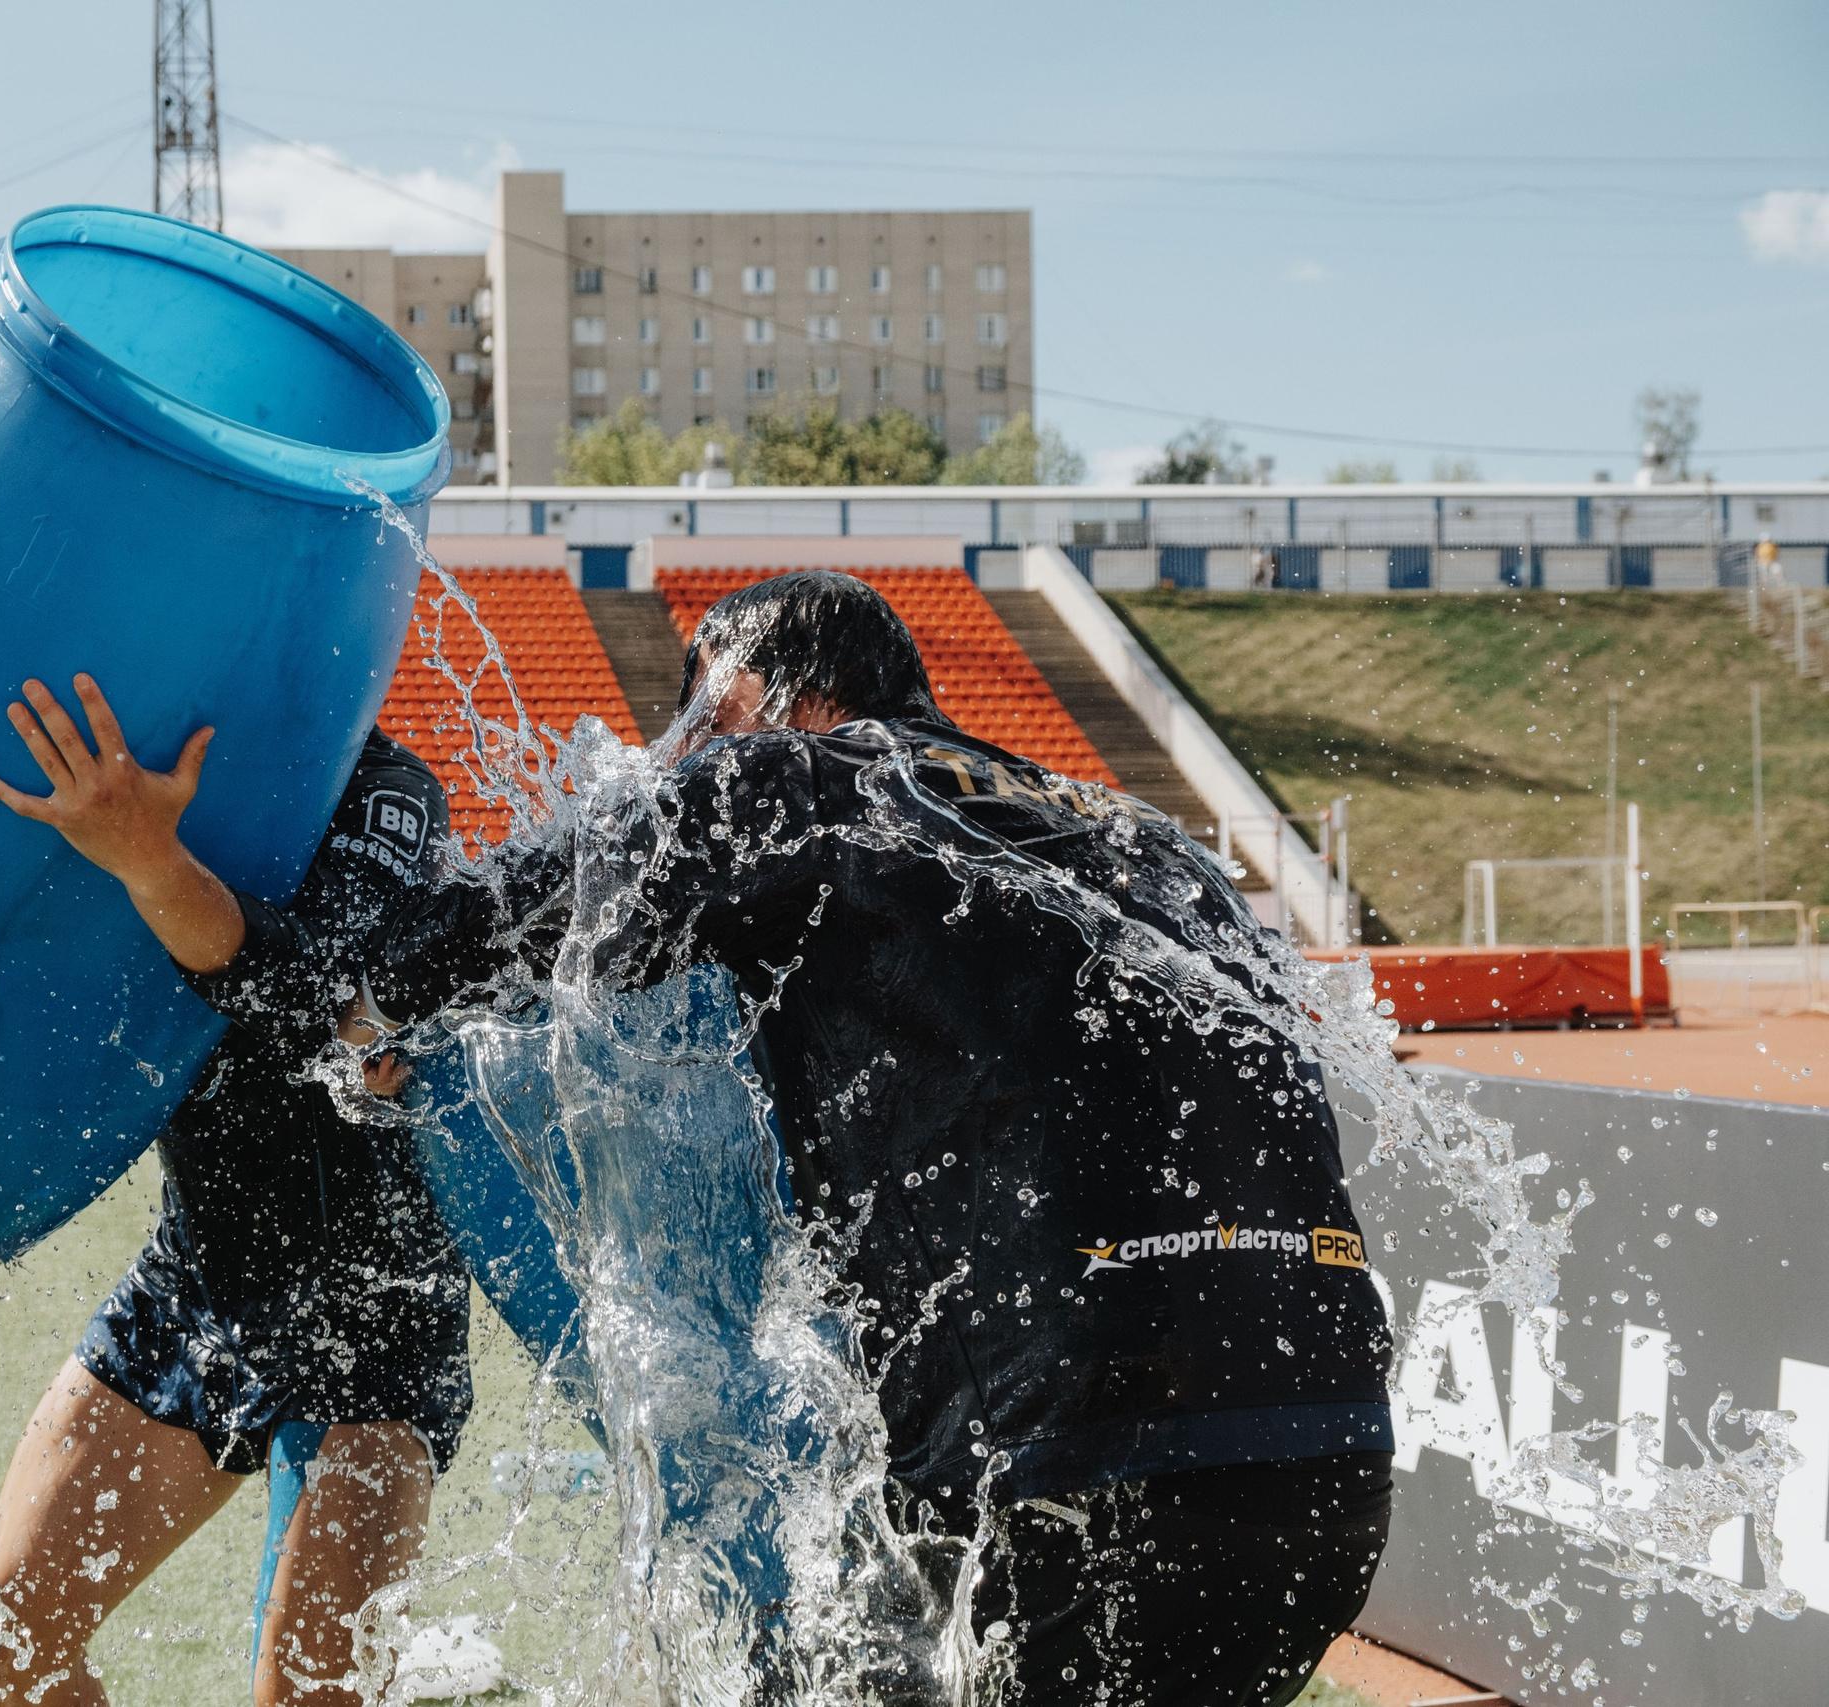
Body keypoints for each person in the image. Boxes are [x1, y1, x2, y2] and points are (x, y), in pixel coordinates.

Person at [321, 573, 1394, 1706]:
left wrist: (366, 1014)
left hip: (1078, 1471)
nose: (678, 758)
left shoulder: (801, 780)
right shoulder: (1151, 842)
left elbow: (520, 908)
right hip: (1326, 1462)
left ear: (741, 696)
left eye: (692, 726)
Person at [0, 674, 470, 1707]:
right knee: (8, 1643)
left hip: (375, 1313)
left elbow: (328, 1005)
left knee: (308, 1696)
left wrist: (152, 860)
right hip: (200, 1281)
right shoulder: (100, 778)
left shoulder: (386, 789)